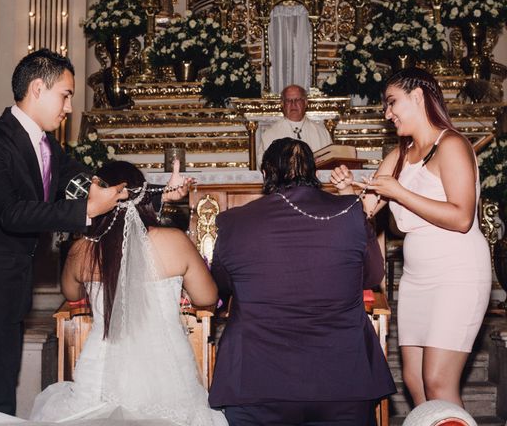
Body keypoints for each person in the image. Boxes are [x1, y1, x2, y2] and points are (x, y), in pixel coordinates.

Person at [0, 161, 226, 426]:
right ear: (144, 197)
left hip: (99, 378)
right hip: (164, 375)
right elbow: (207, 298)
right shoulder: (175, 243)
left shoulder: (83, 250)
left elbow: (70, 293)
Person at [0, 48, 130, 416]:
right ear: (38, 88)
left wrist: (109, 189)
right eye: (66, 94)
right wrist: (87, 209)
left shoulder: (47, 144)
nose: (69, 107)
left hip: (11, 288)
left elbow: (71, 174)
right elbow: (11, 213)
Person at [330, 67, 491, 408]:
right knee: (416, 384)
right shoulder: (399, 156)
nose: (387, 114)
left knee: (438, 381)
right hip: (417, 280)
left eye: (392, 103)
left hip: (457, 274)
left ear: (417, 97)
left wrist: (400, 193)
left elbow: (462, 217)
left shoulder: (452, 145)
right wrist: (347, 191)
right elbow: (366, 209)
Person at [209, 137, 396, 426]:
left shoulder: (234, 221)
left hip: (257, 381)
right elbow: (372, 276)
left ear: (265, 175)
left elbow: (219, 286)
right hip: (343, 380)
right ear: (315, 174)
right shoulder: (349, 211)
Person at [257, 84, 332, 164]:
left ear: (306, 102)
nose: (293, 104)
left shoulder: (322, 133)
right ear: (282, 104)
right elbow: (263, 163)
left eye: (298, 100)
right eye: (289, 100)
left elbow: (330, 161)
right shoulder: (270, 135)